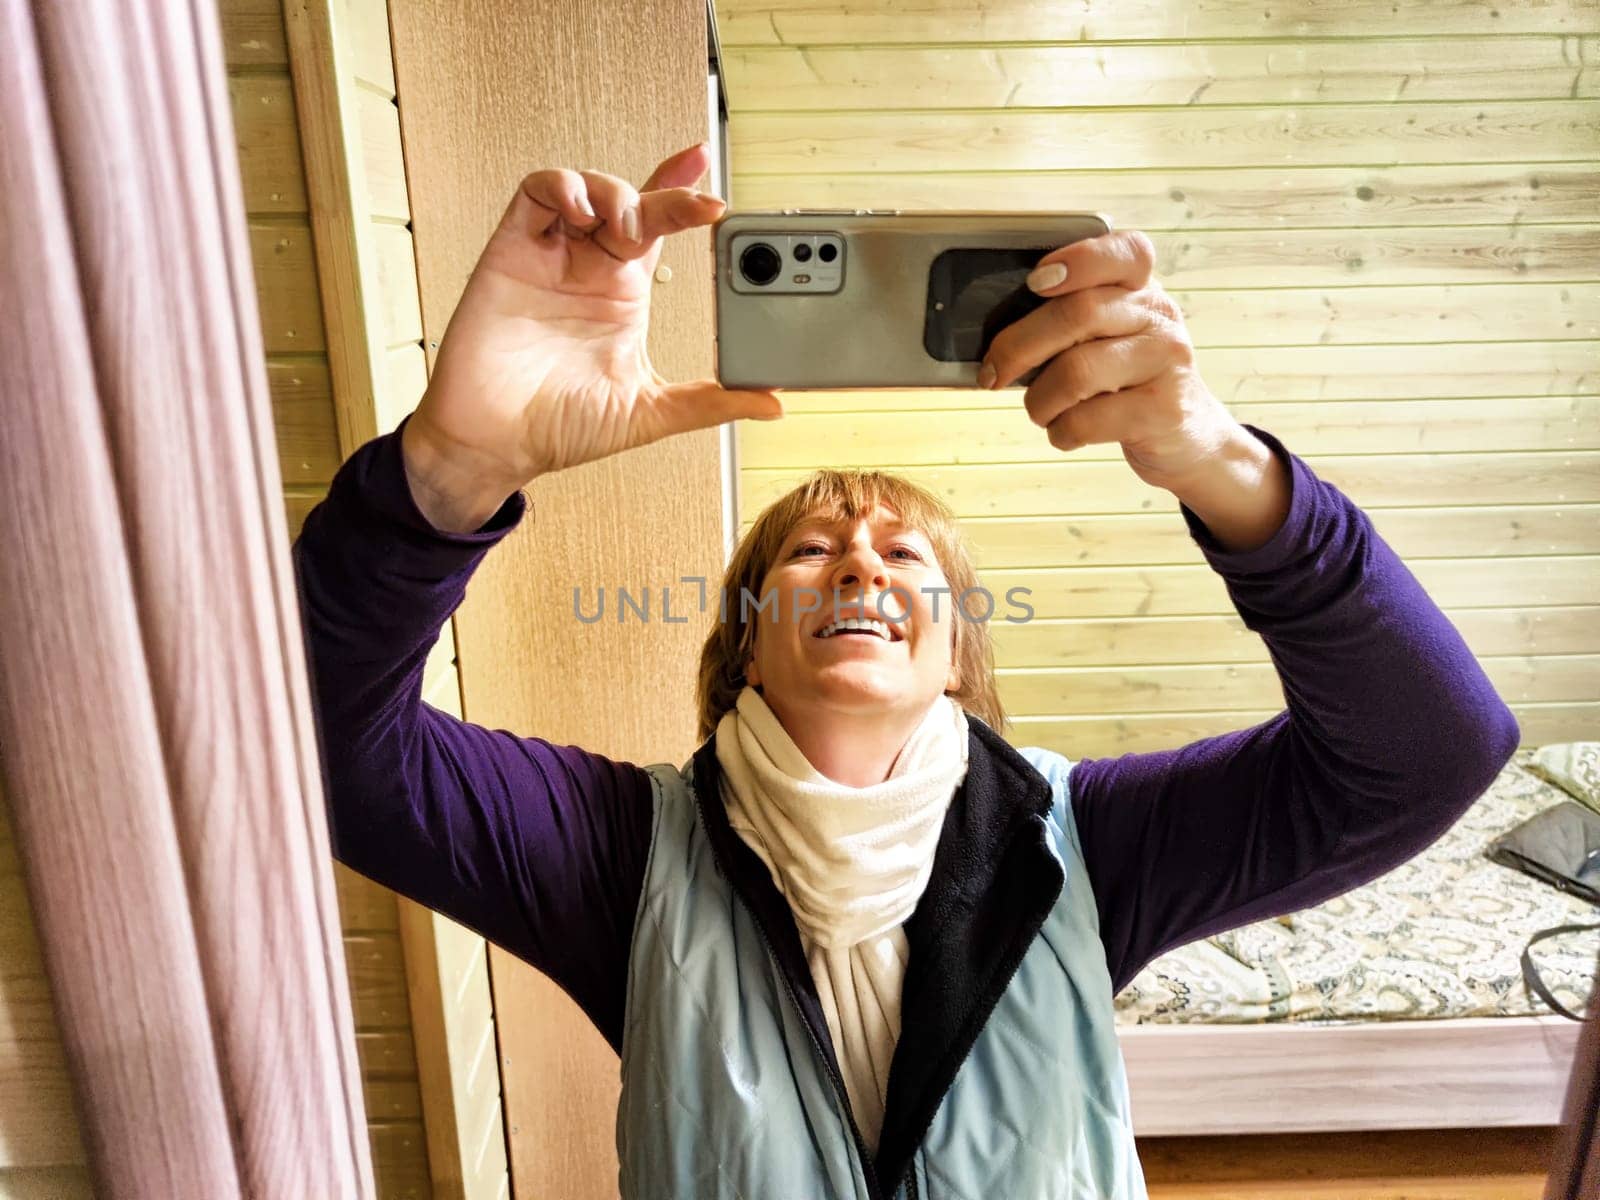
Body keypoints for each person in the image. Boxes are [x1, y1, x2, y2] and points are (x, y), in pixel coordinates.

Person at [292, 141, 1521, 1200]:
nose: (859, 569)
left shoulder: (1091, 844)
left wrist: (1215, 460)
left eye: (902, 555)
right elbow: (320, 745)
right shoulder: (619, 853)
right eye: (812, 551)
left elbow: (1430, 753)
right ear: (747, 640)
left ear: (957, 653)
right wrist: (453, 465)